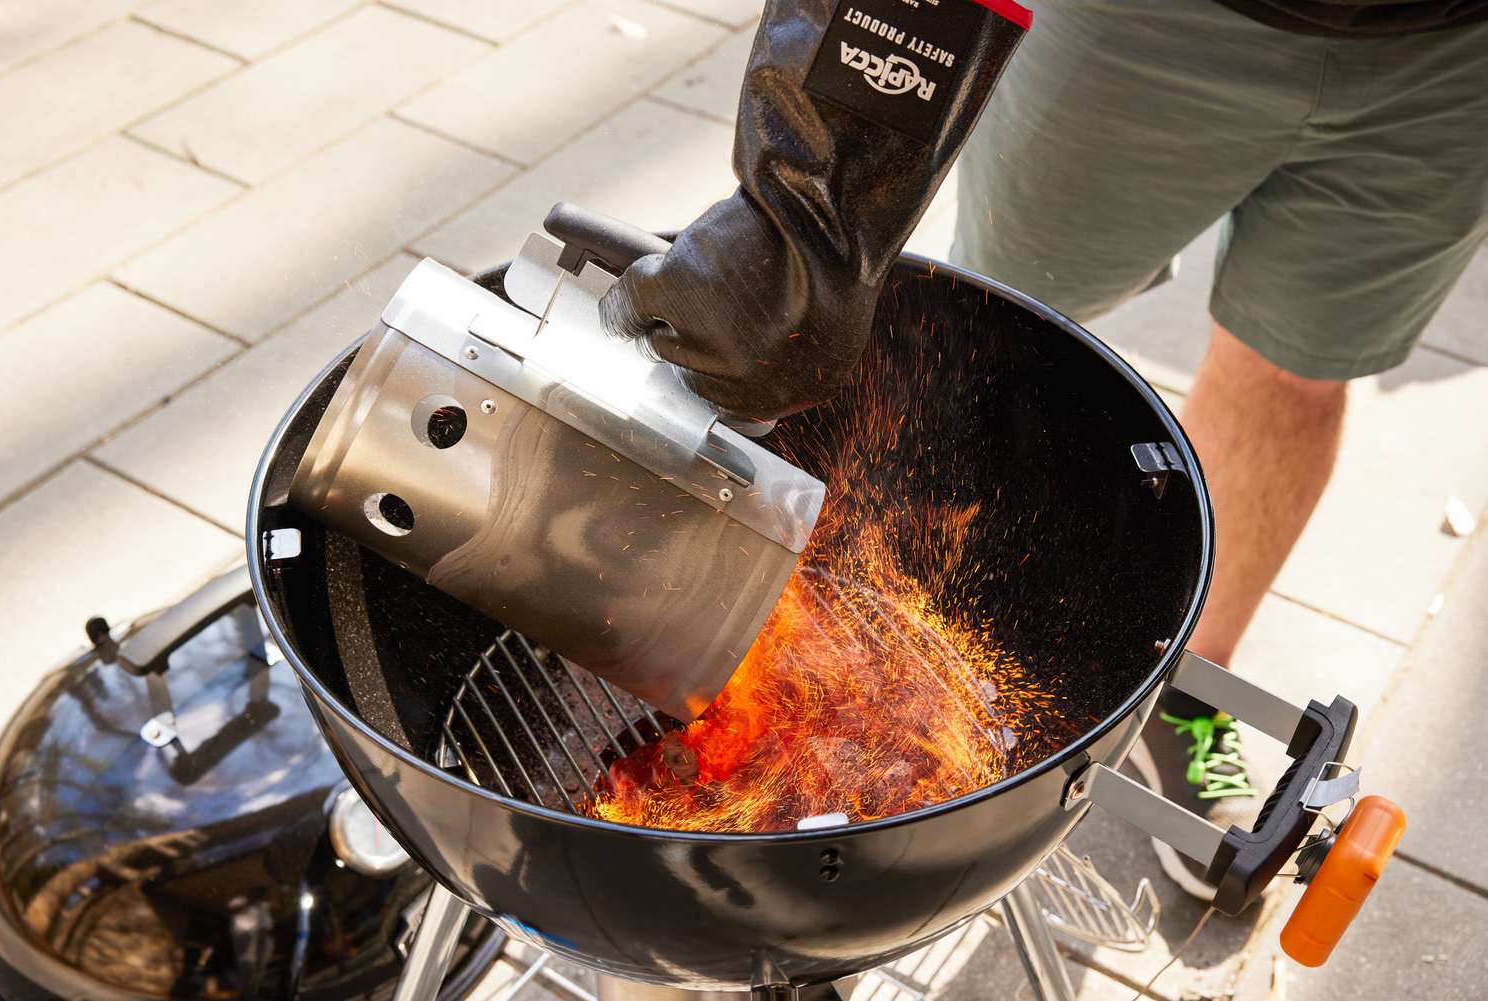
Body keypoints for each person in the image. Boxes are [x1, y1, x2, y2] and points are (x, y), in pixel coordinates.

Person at [601, 0, 1487, 902]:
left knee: (1302, 371)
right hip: (1149, 28)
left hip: (1450, 55)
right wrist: (808, 194)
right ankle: (863, 615)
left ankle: (1184, 697)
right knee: (1002, 319)